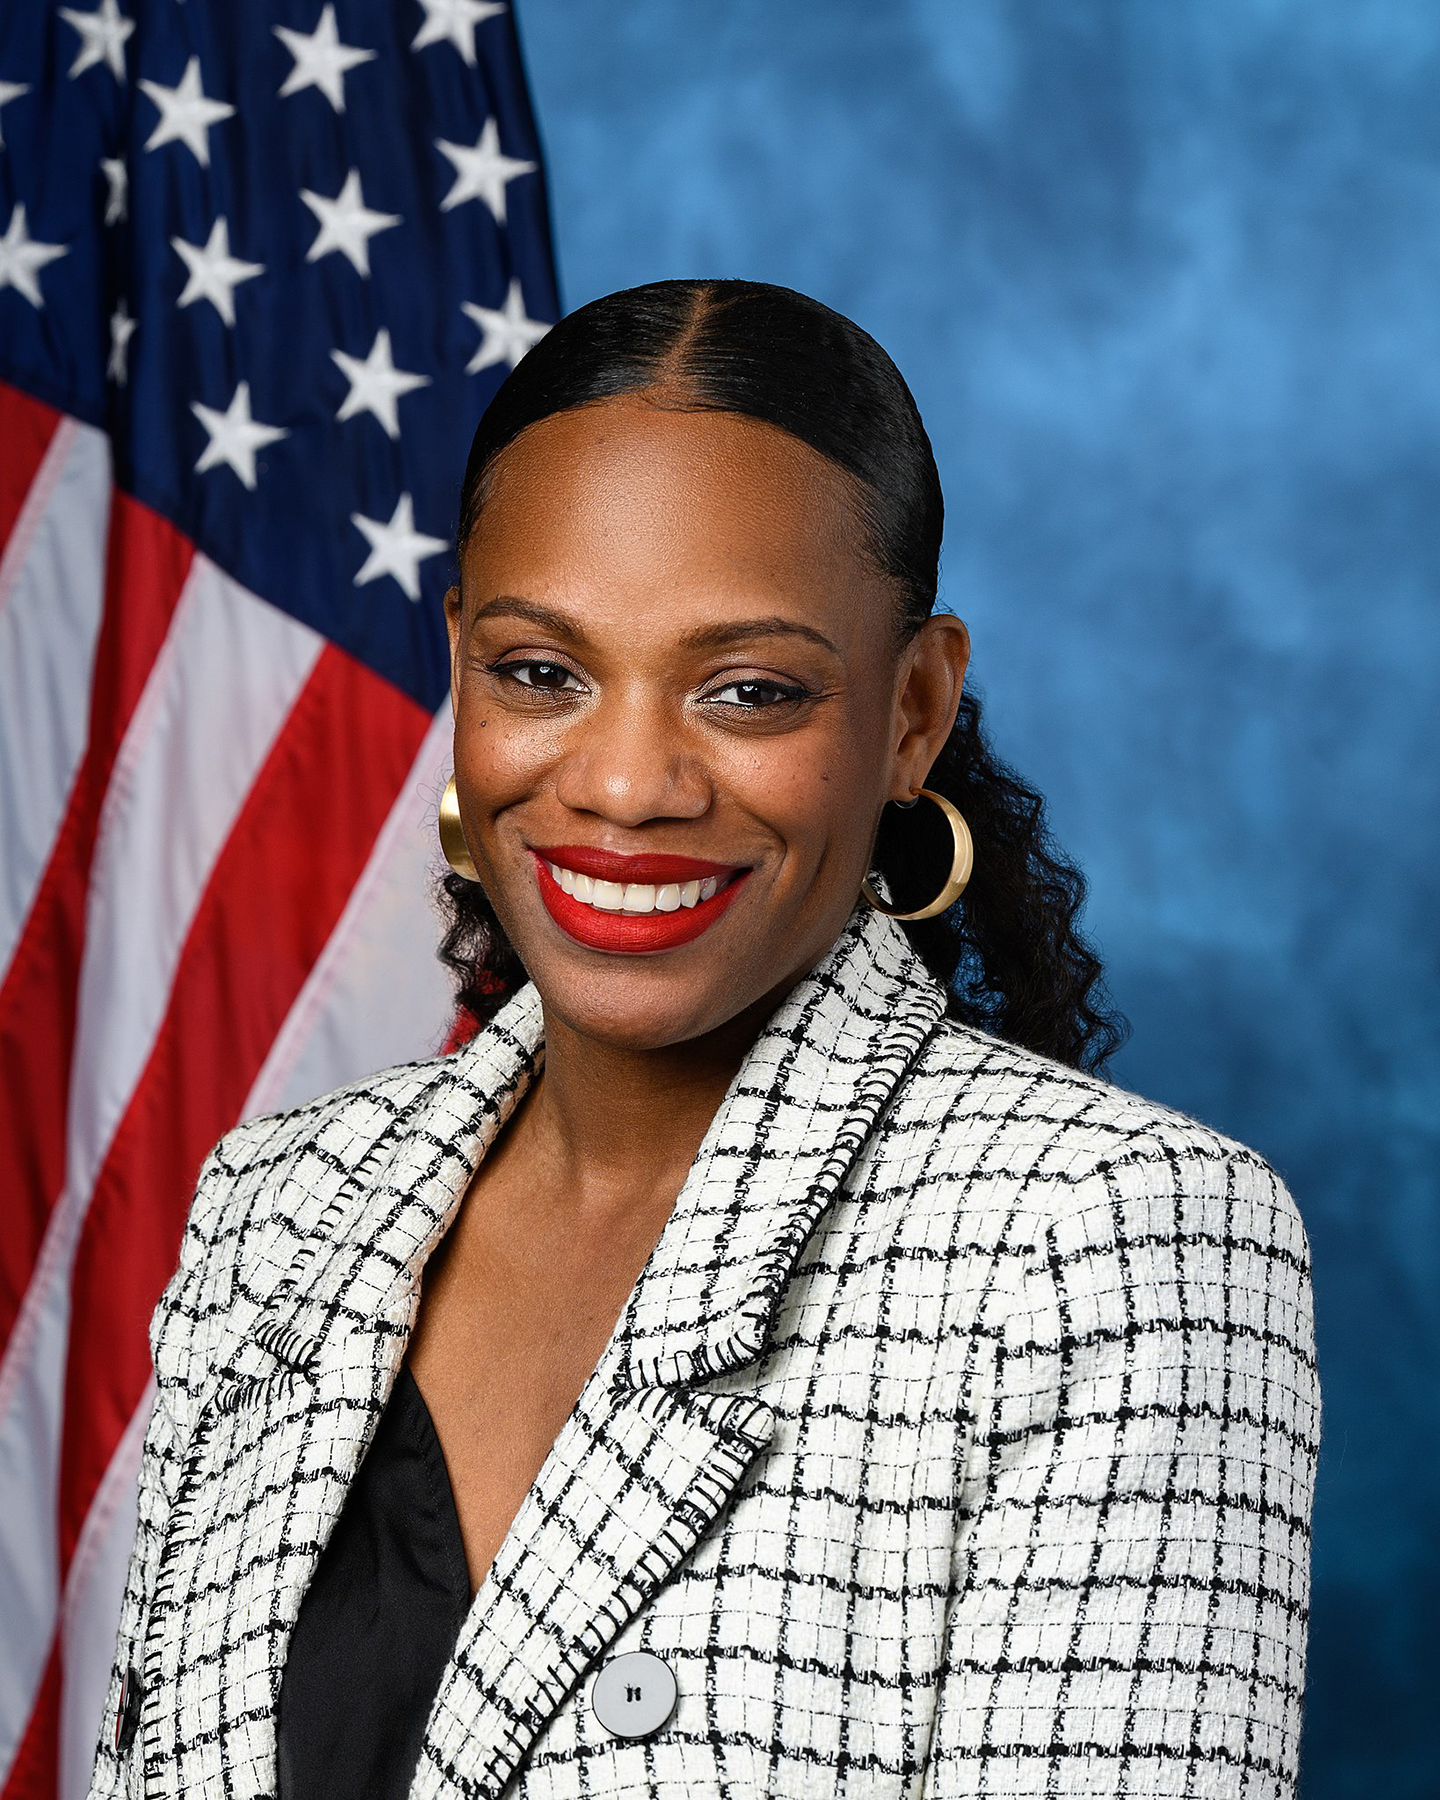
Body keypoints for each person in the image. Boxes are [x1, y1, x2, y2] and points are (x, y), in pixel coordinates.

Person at [89, 279, 1320, 1800]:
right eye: (542, 671)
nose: (624, 783)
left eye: (748, 691)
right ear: (462, 656)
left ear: (914, 708)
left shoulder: (1108, 1242)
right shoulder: (277, 1208)